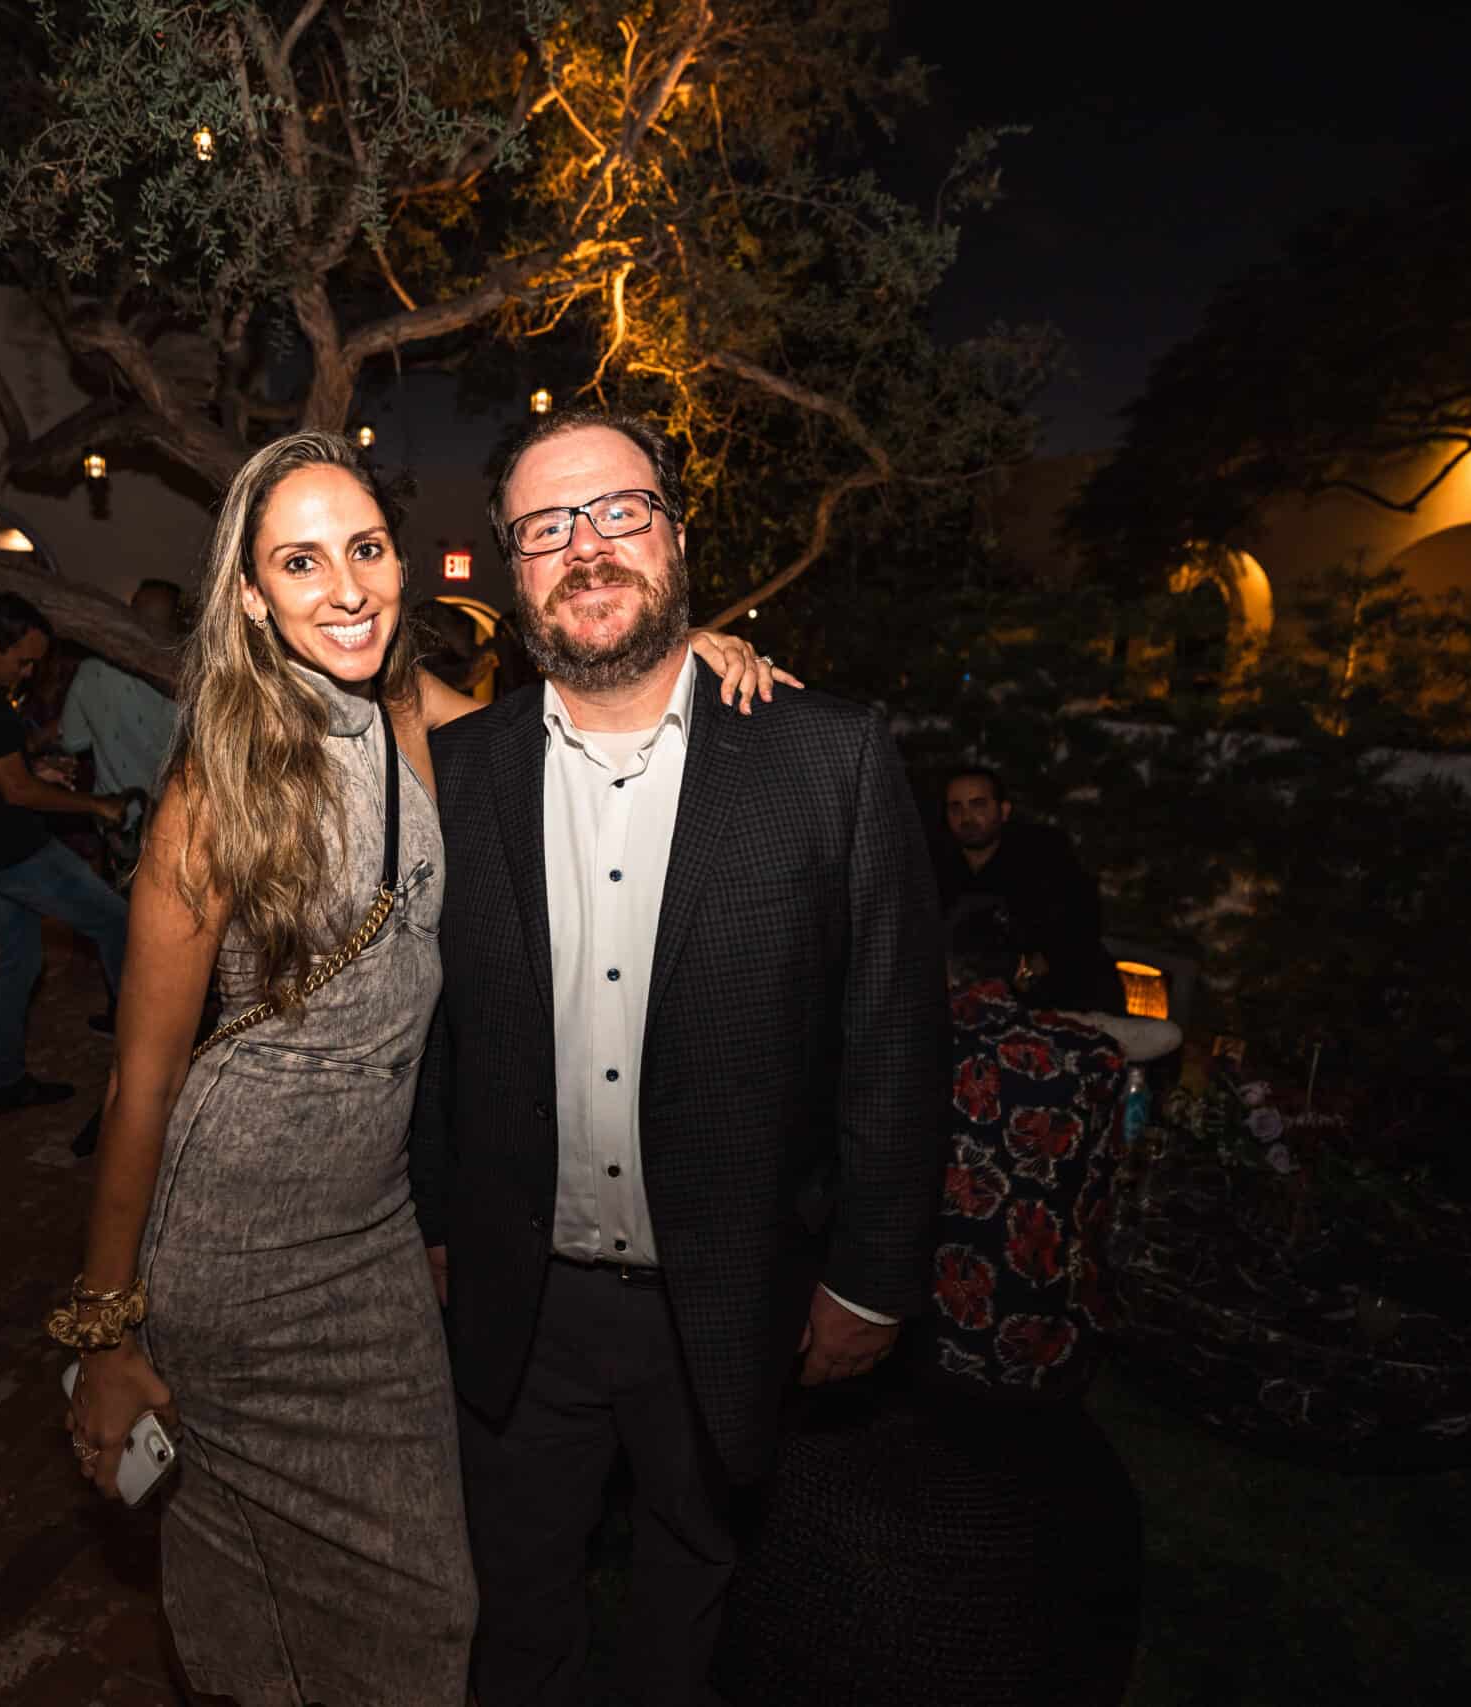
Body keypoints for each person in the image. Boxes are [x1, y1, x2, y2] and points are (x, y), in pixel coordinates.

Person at [57, 431, 795, 1704]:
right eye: (300, 562)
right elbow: (142, 1083)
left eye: (365, 550)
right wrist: (108, 1329)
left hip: (381, 1240)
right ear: (250, 596)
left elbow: (569, 723)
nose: (344, 589)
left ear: (400, 563)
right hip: (234, 1246)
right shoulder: (211, 789)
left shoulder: (422, 718)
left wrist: (689, 656)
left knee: (432, 1596)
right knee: (257, 1585)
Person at [407, 410, 945, 1706]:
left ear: (678, 537)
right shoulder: (455, 774)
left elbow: (895, 1040)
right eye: (547, 526)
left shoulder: (830, 759)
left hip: (727, 1288)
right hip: (517, 1296)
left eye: (619, 512)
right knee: (514, 1599)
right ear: (511, 569)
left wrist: (870, 1278)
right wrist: (433, 1215)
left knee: (690, 1593)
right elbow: (434, 1031)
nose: (585, 547)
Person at [718, 900, 1142, 1706]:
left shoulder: (901, 1042)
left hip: (926, 1344)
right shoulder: (1091, 1056)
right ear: (1015, 969)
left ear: (936, 966)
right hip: (1052, 1347)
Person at [0, 592, 131, 1118]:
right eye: (22, 660)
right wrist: (96, 804)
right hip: (13, 851)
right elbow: (15, 793)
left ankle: (4, 1081)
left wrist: (33, 768)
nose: (26, 673)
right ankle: (146, 1061)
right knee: (118, 925)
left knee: (18, 964)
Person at [935, 765, 1123, 1014]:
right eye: (956, 807)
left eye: (978, 804)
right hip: (965, 996)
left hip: (1050, 996)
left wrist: (1031, 970)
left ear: (1003, 811)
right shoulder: (935, 865)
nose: (966, 817)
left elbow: (1080, 925)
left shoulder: (1044, 856)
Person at [57, 578, 186, 805]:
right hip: (174, 815)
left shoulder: (92, 670)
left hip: (117, 818)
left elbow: (72, 740)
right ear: (176, 624)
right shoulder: (192, 679)